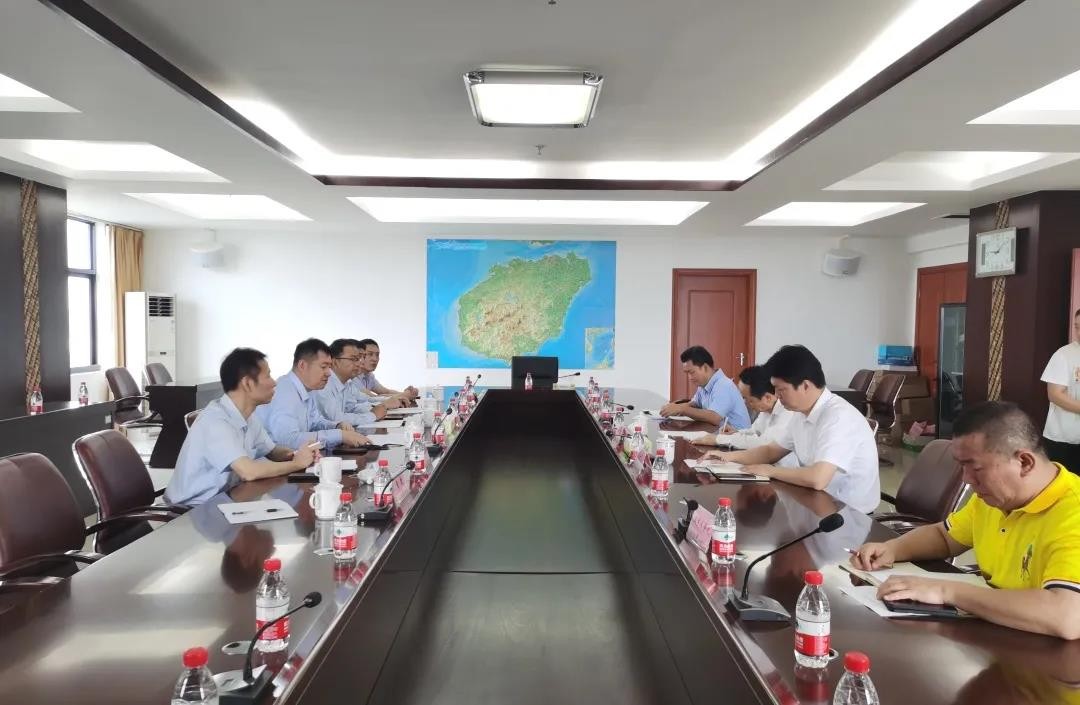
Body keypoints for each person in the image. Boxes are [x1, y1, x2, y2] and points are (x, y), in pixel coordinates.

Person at [851, 401, 1080, 639]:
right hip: (1002, 632)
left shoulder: (1072, 512)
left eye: (976, 468)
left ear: (1024, 462)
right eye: (961, 466)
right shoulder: (994, 499)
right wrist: (893, 549)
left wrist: (946, 591)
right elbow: (944, 536)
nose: (966, 479)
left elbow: (1067, 616)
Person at [704, 345, 880, 513]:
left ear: (805, 386)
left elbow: (818, 479)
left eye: (781, 389)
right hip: (816, 500)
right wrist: (726, 457)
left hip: (849, 513)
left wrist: (770, 471)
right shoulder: (800, 413)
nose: (776, 396)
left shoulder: (837, 417)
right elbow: (770, 451)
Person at [164, 347, 316, 506]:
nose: (274, 382)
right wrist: (297, 464)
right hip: (191, 509)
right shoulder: (216, 421)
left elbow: (272, 452)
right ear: (248, 383)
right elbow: (248, 471)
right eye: (268, 376)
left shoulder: (248, 416)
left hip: (225, 500)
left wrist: (298, 454)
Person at [259, 338, 370, 450]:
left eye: (329, 367)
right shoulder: (284, 392)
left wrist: (336, 426)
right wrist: (339, 436)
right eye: (323, 367)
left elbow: (315, 422)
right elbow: (287, 440)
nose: (328, 373)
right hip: (271, 459)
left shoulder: (308, 389)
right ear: (302, 365)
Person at [693, 365, 794, 455]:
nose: (745, 403)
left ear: (767, 398)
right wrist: (736, 433)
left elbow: (762, 443)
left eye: (749, 399)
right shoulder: (766, 410)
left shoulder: (787, 414)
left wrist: (719, 439)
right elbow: (754, 431)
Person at [660, 346, 750, 429]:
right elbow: (695, 403)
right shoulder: (703, 384)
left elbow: (714, 417)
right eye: (687, 373)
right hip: (718, 434)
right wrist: (675, 408)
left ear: (705, 367)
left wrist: (682, 409)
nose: (689, 378)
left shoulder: (724, 385)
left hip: (737, 438)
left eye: (691, 372)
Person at [314, 338, 395, 427]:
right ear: (334, 361)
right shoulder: (323, 383)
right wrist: (372, 415)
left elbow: (352, 407)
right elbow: (336, 418)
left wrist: (378, 409)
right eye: (353, 359)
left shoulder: (345, 382)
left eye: (358, 359)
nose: (359, 364)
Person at [1041, 309, 1080, 474]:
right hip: (1065, 441)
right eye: (1077, 327)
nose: (1079, 332)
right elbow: (1055, 394)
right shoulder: (1064, 355)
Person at [352, 338, 419, 403]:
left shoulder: (369, 376)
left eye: (377, 355)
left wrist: (408, 394)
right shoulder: (352, 377)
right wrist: (404, 395)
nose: (375, 359)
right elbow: (373, 398)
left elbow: (386, 392)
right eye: (370, 354)